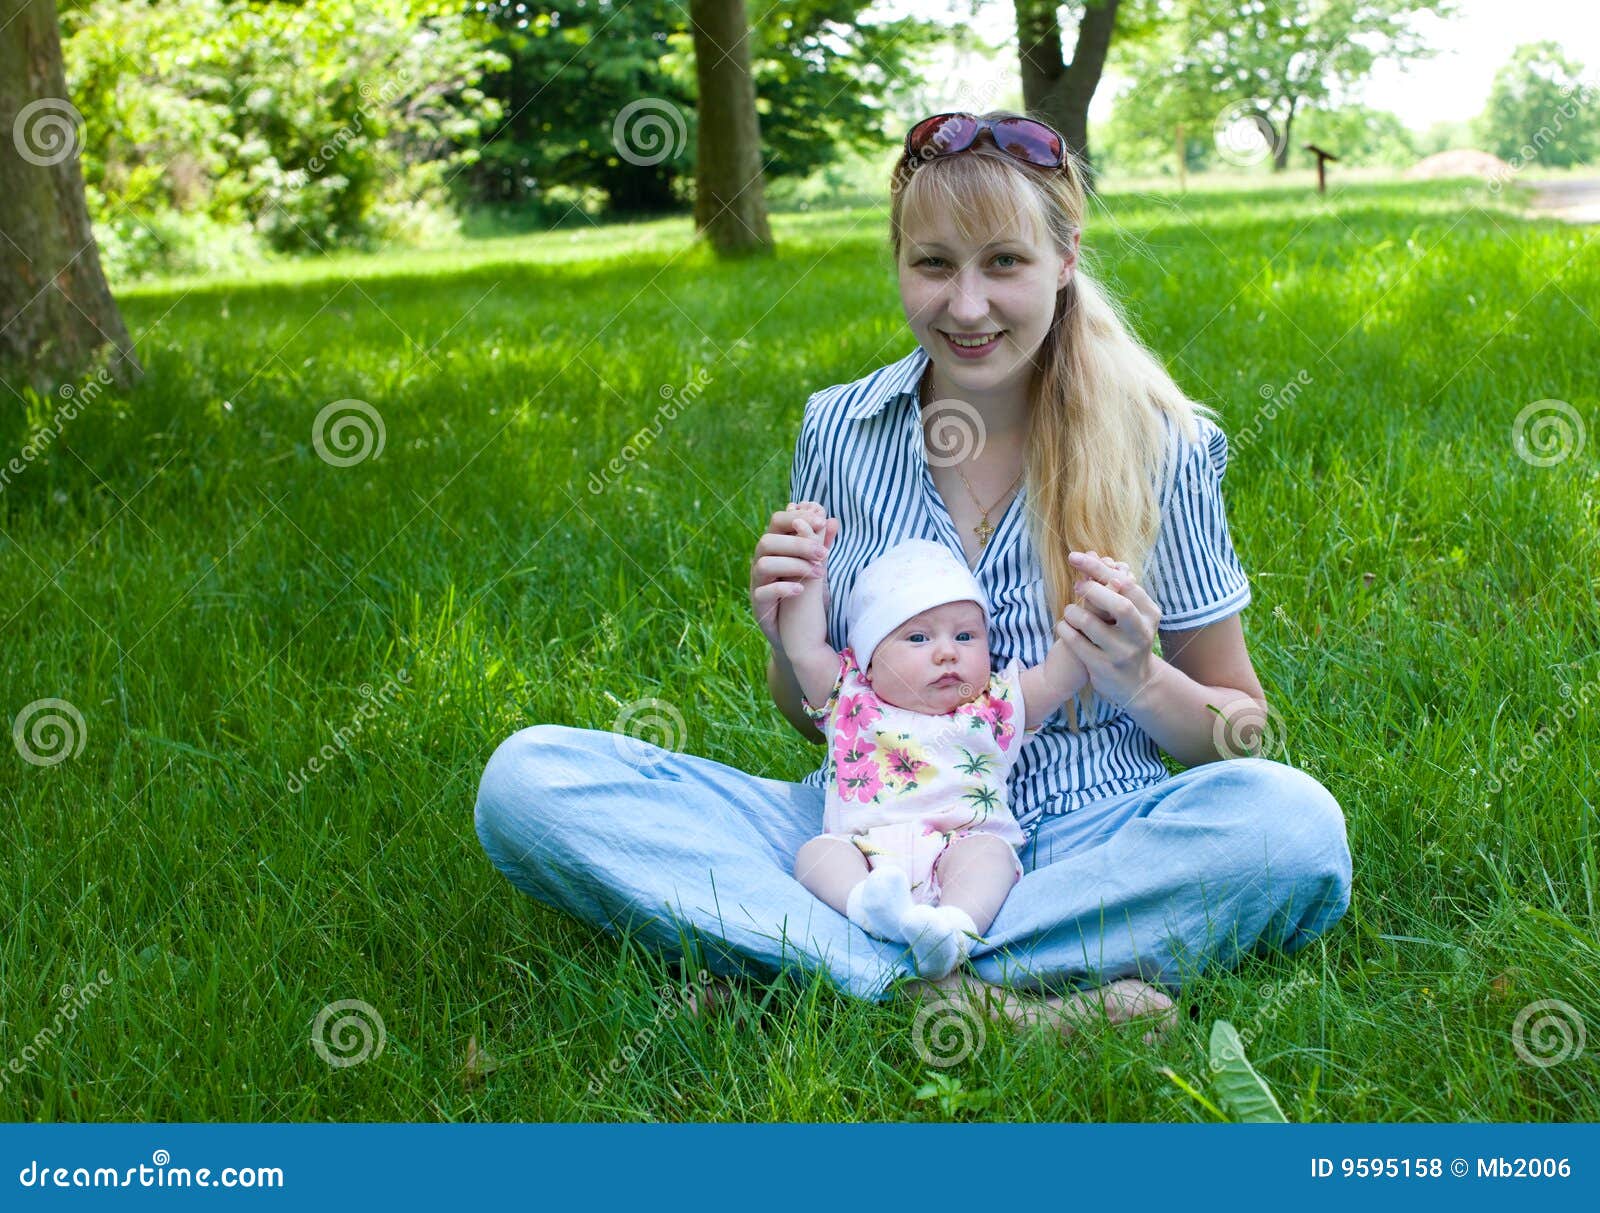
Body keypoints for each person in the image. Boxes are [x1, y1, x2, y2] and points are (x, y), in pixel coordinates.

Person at [474, 109, 1352, 1038]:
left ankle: (817, 965)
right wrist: (786, 634)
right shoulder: (841, 429)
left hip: (1088, 839)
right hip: (862, 836)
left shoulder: (1167, 442)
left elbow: (1241, 731)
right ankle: (964, 991)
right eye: (933, 264)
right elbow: (815, 708)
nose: (966, 307)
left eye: (1003, 263)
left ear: (1065, 258)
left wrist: (1139, 677)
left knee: (1289, 826)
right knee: (528, 779)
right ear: (898, 262)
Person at [779, 525, 1090, 981]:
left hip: (959, 846)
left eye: (965, 637)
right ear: (868, 658)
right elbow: (804, 648)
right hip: (863, 852)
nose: (947, 652)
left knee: (991, 855)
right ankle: (869, 910)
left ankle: (953, 929)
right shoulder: (850, 697)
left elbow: (1062, 674)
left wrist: (1094, 605)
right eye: (919, 639)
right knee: (815, 856)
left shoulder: (995, 705)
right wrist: (808, 569)